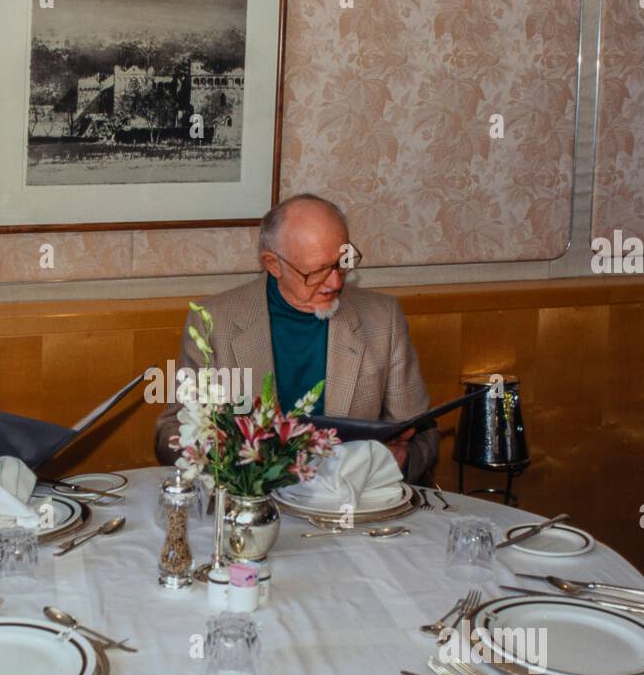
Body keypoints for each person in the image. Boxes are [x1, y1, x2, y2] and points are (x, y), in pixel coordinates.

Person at [155, 193, 438, 481]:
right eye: (316, 272)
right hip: (252, 504)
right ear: (273, 264)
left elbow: (422, 435)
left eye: (342, 262)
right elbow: (172, 430)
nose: (336, 282)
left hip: (350, 505)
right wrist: (223, 461)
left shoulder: (382, 319)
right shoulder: (214, 322)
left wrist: (399, 460)